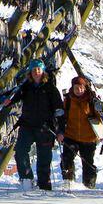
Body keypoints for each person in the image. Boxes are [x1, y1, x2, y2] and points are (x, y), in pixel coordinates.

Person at [12, 59, 65, 190]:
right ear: (30, 72)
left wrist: (61, 131)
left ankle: (44, 185)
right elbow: (13, 96)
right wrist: (3, 99)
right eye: (34, 69)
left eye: (39, 69)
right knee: (20, 151)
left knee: (44, 158)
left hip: (45, 128)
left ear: (43, 72)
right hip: (27, 126)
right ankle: (26, 180)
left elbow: (59, 111)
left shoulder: (51, 89)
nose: (36, 72)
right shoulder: (25, 87)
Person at [59, 74, 103, 189]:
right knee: (66, 159)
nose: (79, 90)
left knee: (88, 163)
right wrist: (60, 130)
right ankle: (68, 182)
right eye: (76, 87)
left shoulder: (92, 101)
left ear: (85, 88)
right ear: (73, 88)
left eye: (81, 87)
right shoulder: (68, 100)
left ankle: (89, 186)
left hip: (89, 138)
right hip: (71, 135)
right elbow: (62, 117)